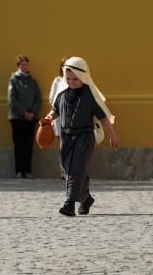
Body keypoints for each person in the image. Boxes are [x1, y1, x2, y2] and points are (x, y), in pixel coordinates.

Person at [45, 56, 120, 216]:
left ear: (84, 76)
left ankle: (69, 203)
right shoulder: (62, 93)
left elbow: (104, 117)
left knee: (76, 169)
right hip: (66, 137)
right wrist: (47, 119)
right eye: (68, 78)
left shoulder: (90, 94)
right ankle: (86, 199)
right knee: (70, 170)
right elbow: (56, 110)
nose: (72, 82)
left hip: (84, 136)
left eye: (76, 79)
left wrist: (112, 136)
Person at [7, 55, 42, 179]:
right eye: (22, 65)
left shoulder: (33, 82)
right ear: (18, 66)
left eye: (26, 64)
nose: (24, 66)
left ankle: (27, 171)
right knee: (19, 145)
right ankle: (19, 171)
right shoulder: (14, 80)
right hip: (17, 118)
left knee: (29, 145)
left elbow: (38, 98)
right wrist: (24, 113)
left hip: (31, 118)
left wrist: (32, 112)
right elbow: (12, 99)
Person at [48, 57, 67, 180]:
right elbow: (52, 98)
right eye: (63, 65)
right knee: (63, 145)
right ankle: (64, 171)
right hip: (60, 117)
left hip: (73, 118)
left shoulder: (77, 80)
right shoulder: (58, 81)